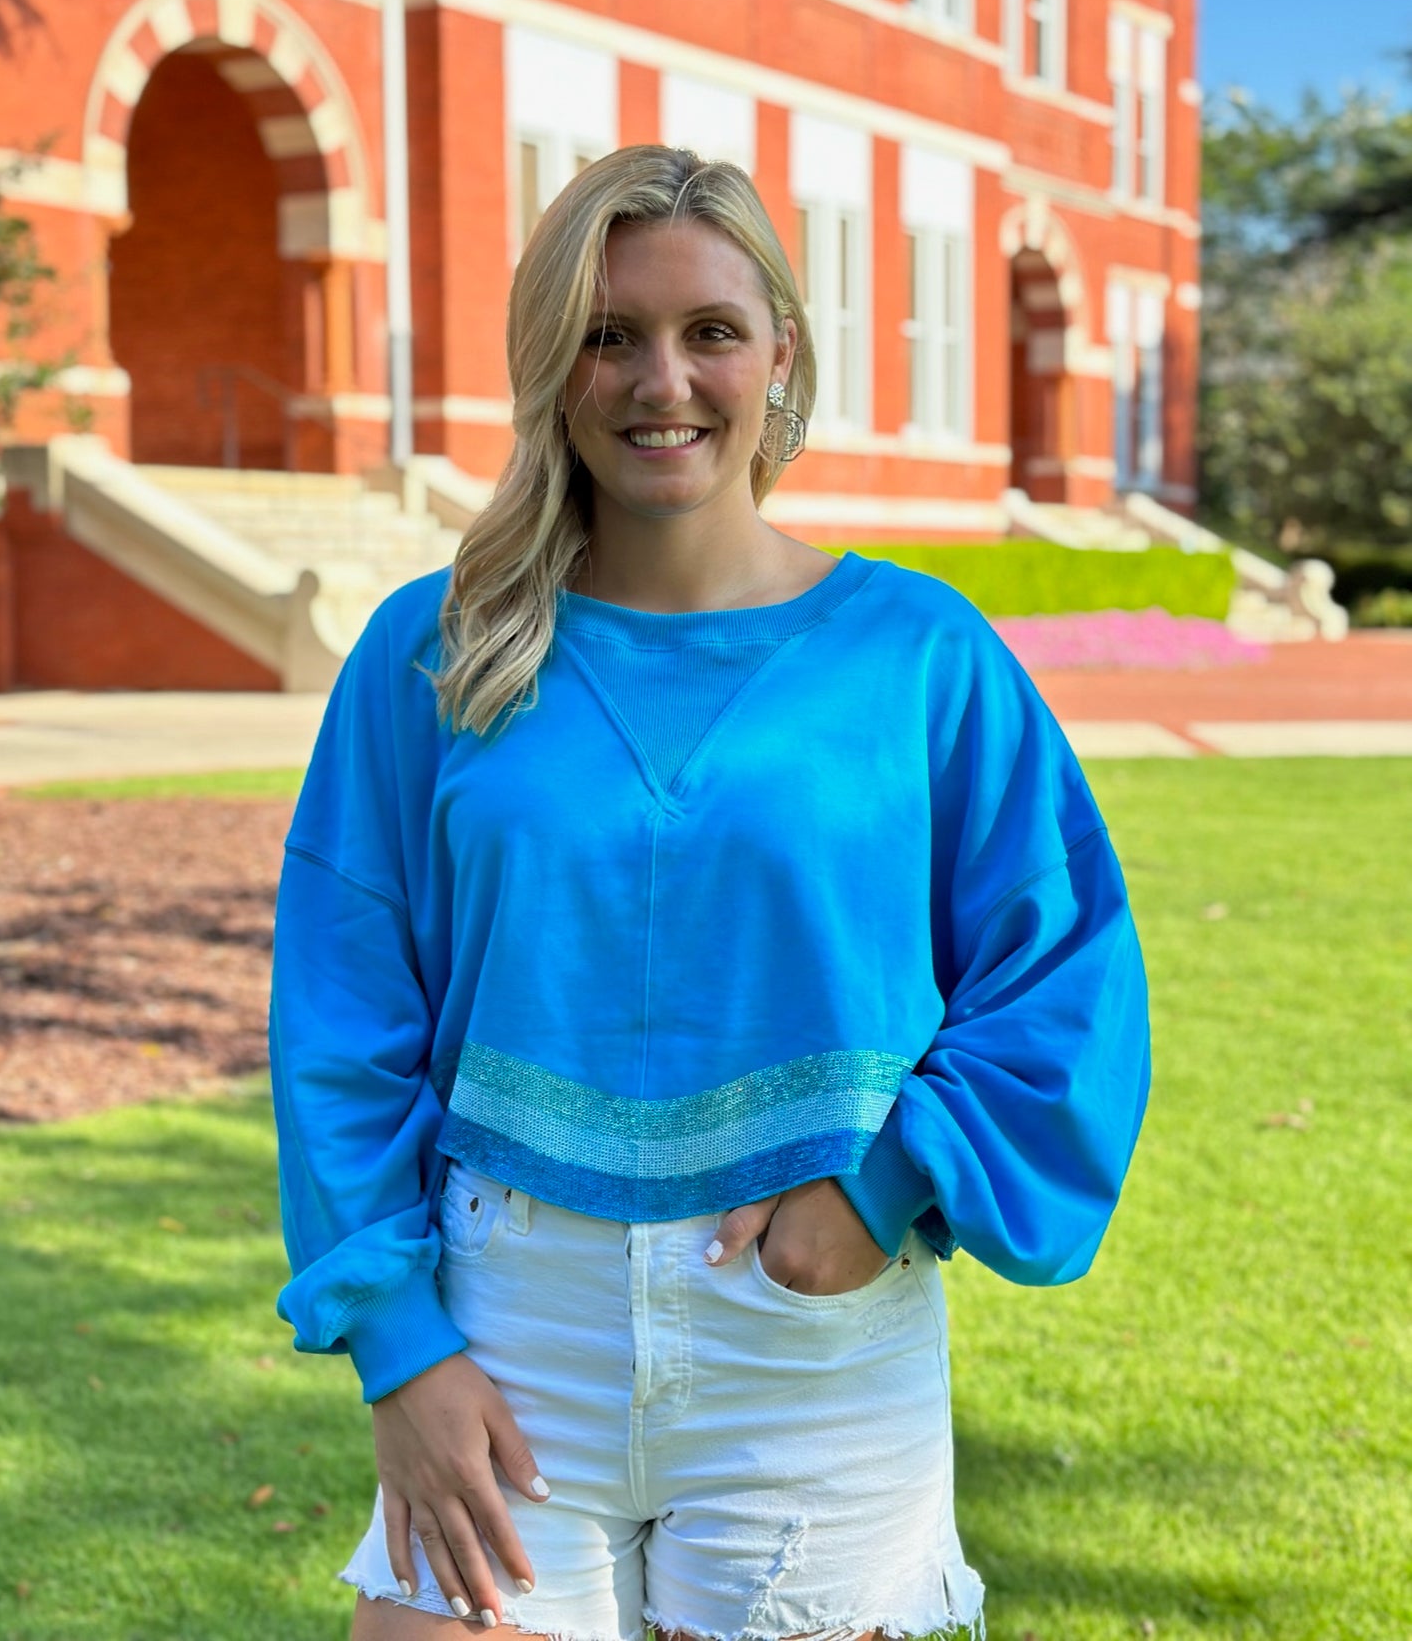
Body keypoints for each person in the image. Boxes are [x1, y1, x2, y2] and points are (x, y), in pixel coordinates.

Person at [268, 144, 1152, 1641]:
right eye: (608, 336)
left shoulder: (917, 656)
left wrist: (880, 1190)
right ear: (554, 364)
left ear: (779, 354)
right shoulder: (439, 651)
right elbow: (344, 1013)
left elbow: (1063, 968)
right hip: (501, 1323)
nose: (657, 379)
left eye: (707, 332)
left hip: (806, 1348)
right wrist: (400, 1347)